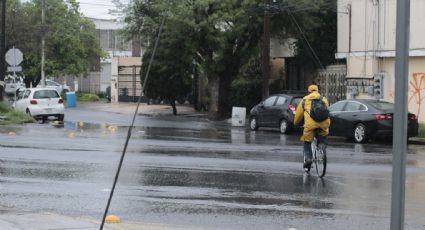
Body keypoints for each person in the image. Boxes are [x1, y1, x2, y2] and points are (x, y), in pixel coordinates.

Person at [293, 84, 331, 171]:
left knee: (307, 141)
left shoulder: (305, 100)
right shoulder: (324, 99)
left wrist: (295, 123)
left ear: (309, 91)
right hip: (324, 124)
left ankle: (308, 158)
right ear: (317, 91)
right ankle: (322, 146)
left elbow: (298, 115)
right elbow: (327, 111)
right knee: (323, 135)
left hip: (310, 125)